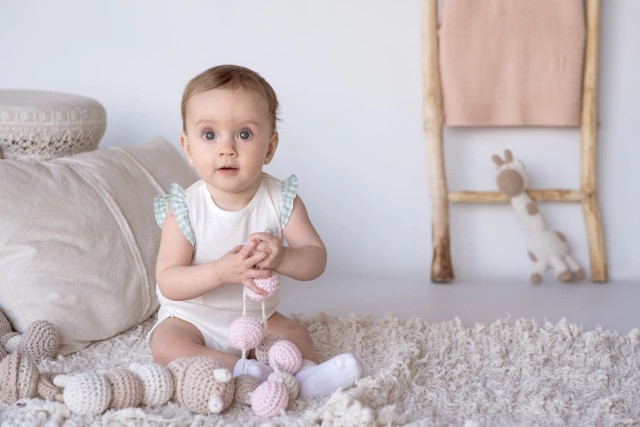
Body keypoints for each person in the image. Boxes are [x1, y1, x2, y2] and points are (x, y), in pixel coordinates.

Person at [148, 64, 361, 398]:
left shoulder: (281, 199)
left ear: (270, 147)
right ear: (188, 148)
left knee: (296, 335)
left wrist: (283, 256)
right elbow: (169, 282)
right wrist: (220, 271)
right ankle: (247, 371)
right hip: (193, 318)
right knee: (166, 346)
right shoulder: (184, 208)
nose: (227, 148)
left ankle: (307, 377)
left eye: (244, 134)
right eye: (209, 135)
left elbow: (315, 260)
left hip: (259, 317)